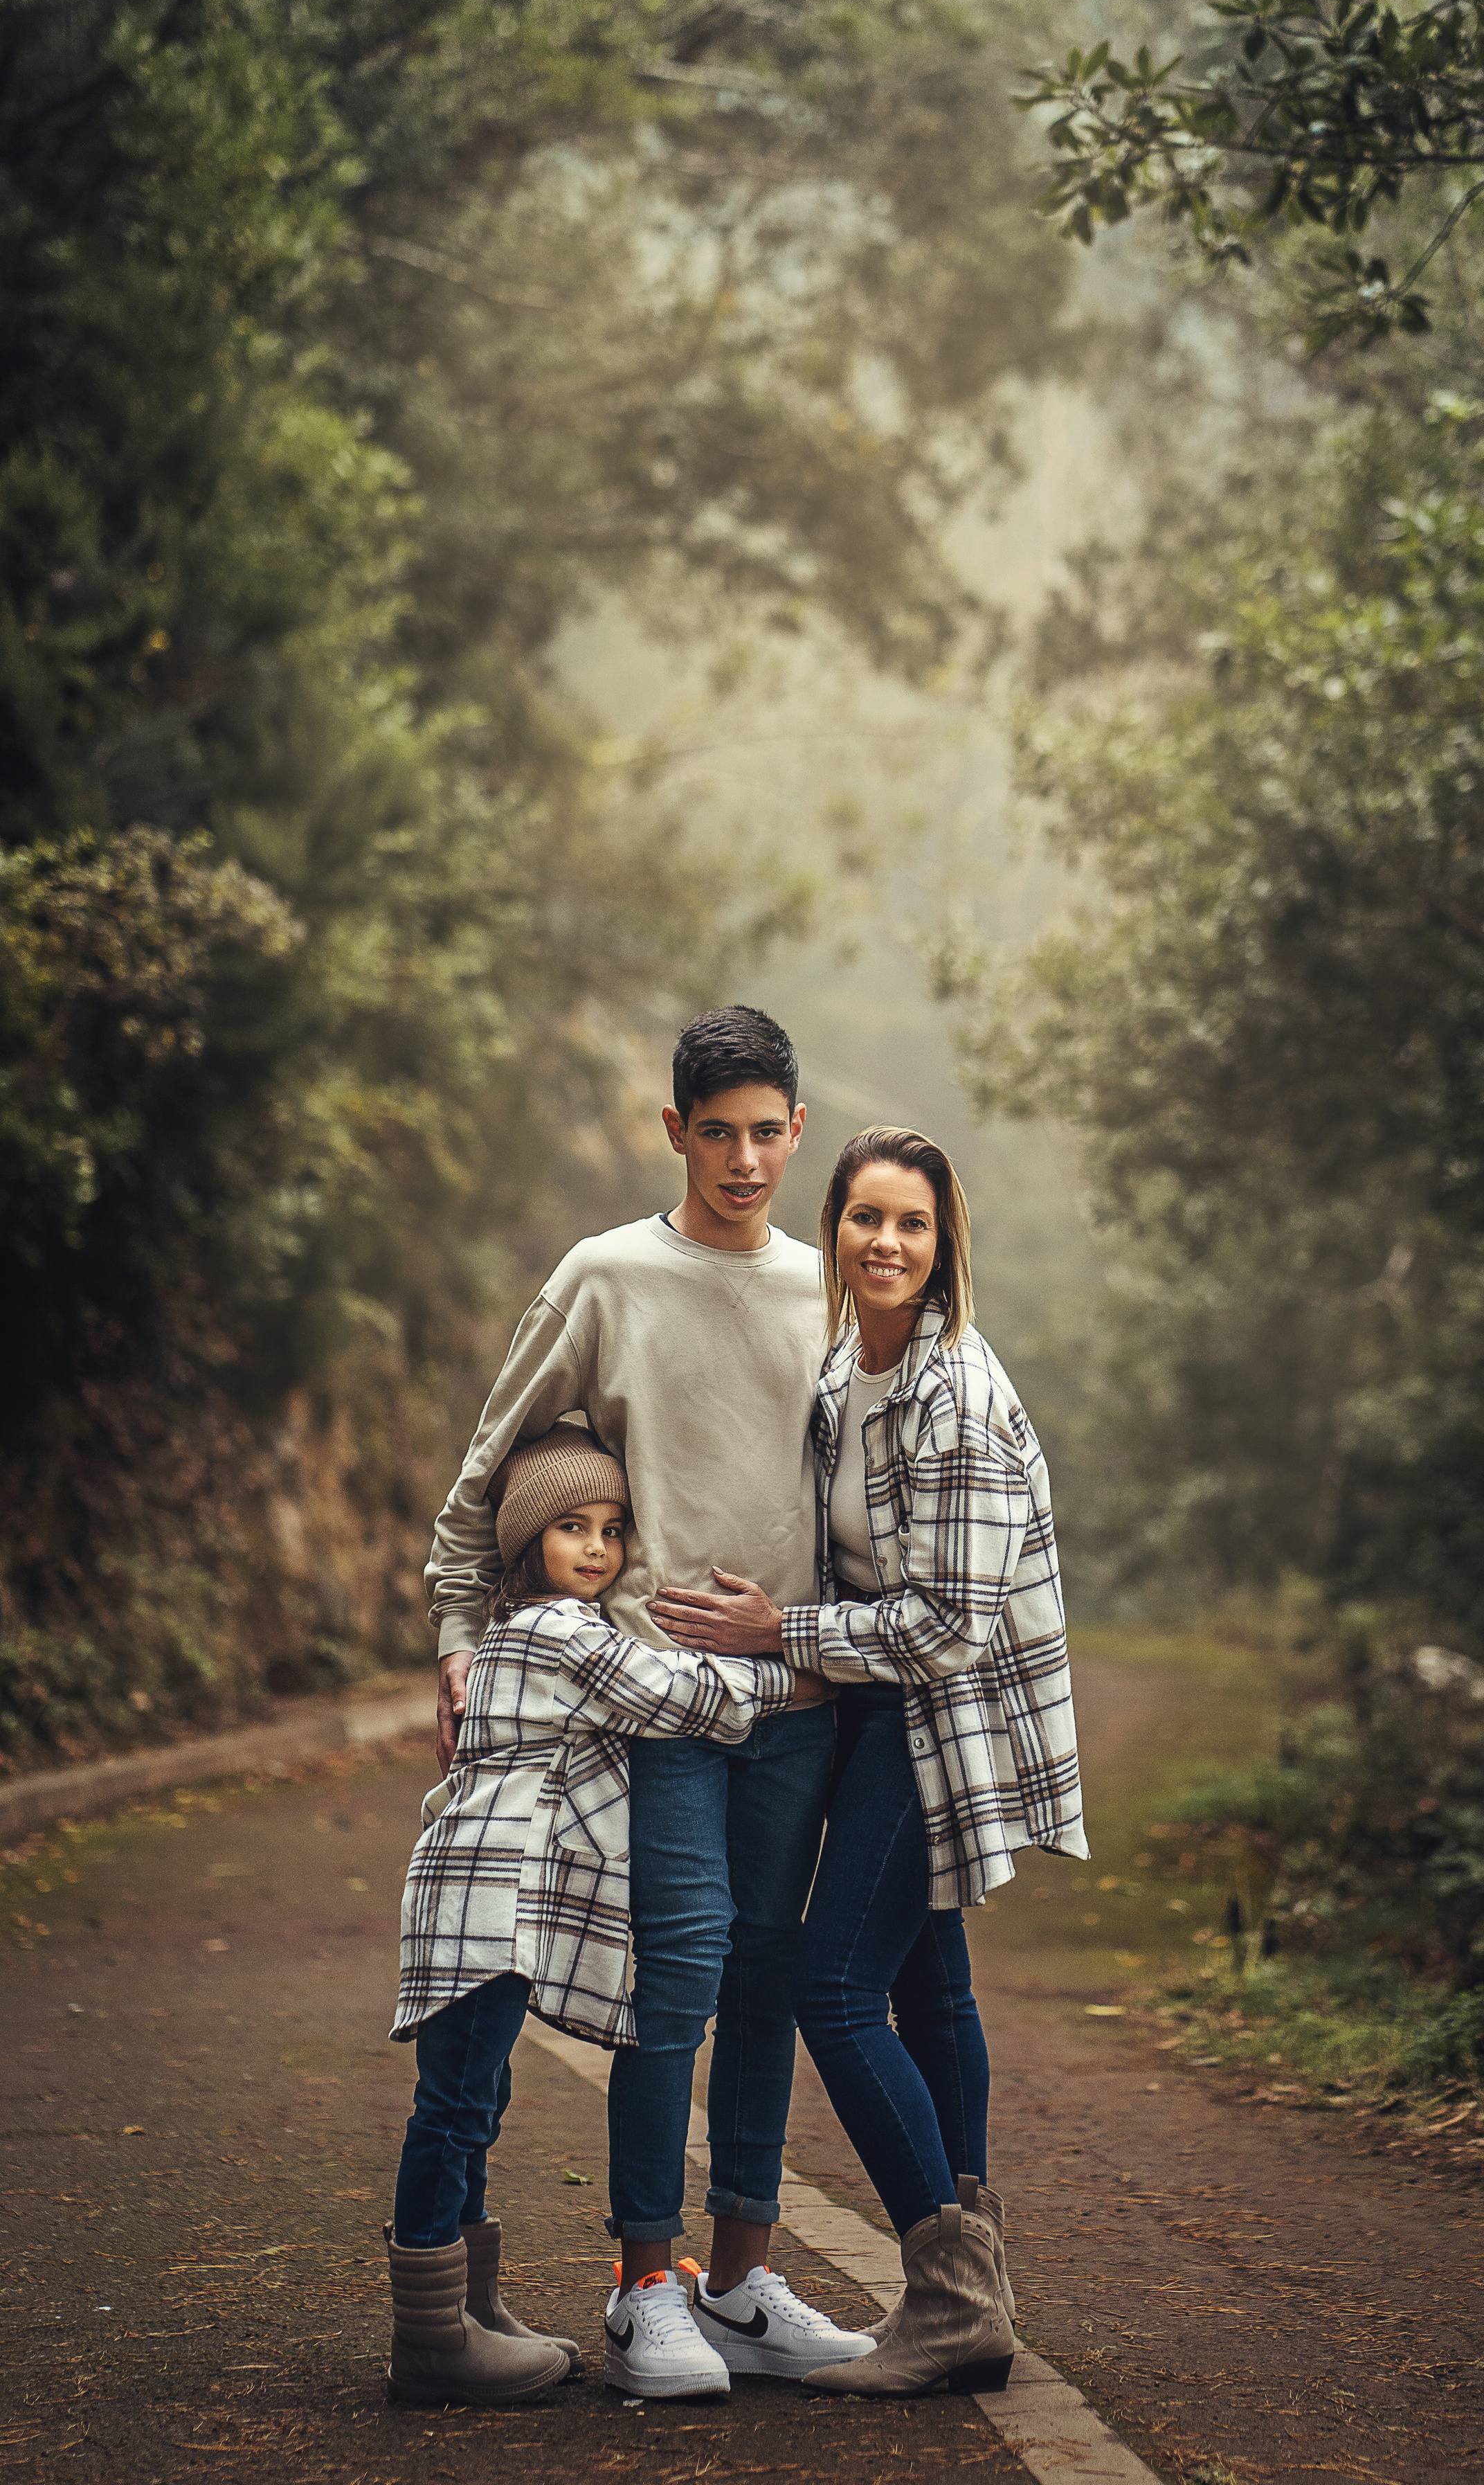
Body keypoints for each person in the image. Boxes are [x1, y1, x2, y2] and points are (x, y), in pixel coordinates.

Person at [423, 1005, 874, 2396]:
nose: (743, 1162)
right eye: (716, 1133)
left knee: (766, 1980)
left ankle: (740, 2283)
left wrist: (839, 1653)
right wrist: (459, 1633)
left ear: (797, 1133)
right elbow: (489, 1471)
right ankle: (642, 2289)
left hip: (796, 1700)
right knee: (673, 1978)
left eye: (767, 1135)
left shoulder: (830, 1290)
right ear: (674, 1130)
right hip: (656, 1705)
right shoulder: (606, 1276)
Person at [652, 1124, 1089, 2398]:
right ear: (833, 1229)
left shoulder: (956, 1393)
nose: (885, 1242)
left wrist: (777, 1632)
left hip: (938, 1720)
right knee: (930, 1987)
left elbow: (951, 1627)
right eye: (864, 1218)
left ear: (945, 1244)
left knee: (836, 1991)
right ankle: (974, 2303)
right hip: (877, 1711)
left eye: (912, 1223)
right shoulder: (850, 1367)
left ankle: (950, 2299)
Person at [386, 1426, 850, 2404]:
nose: (598, 1548)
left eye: (612, 1528)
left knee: (474, 2101)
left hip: (483, 1902)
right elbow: (678, 1691)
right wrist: (800, 1676)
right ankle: (431, 2336)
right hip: (485, 1905)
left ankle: (471, 2312)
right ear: (526, 1541)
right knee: (456, 2109)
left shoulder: (533, 1629)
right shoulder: (563, 1634)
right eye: (571, 1527)